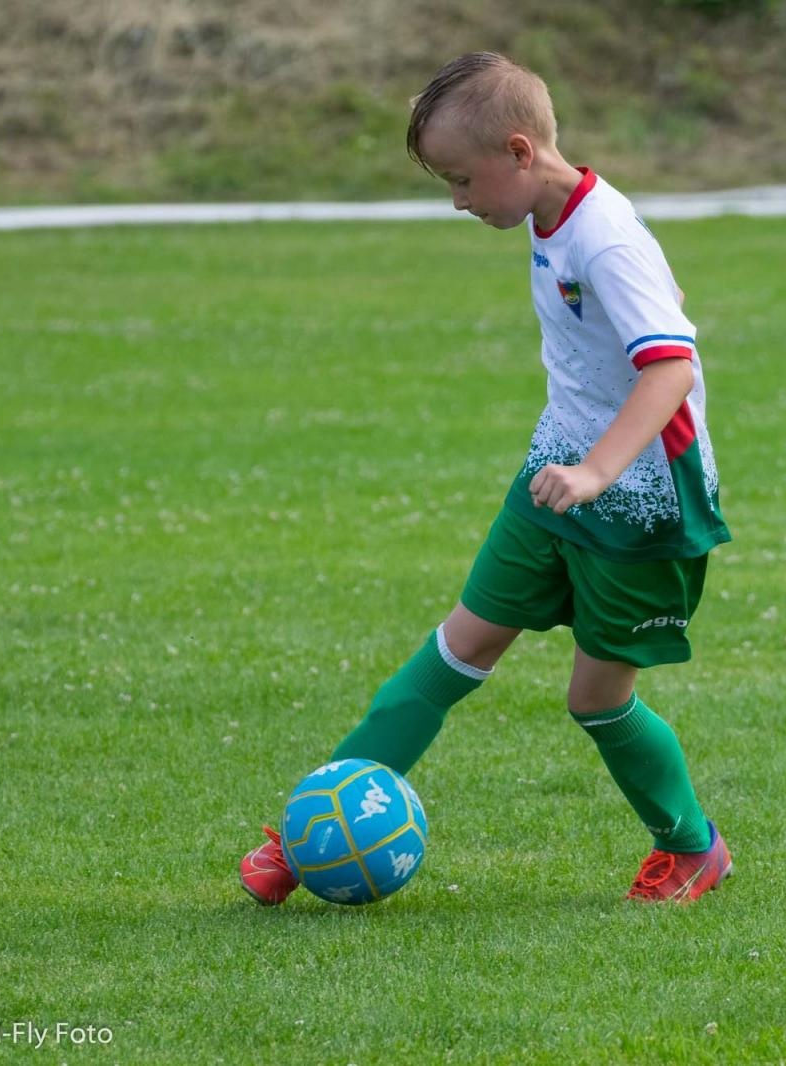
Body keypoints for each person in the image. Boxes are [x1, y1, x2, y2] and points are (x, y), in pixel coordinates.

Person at [240, 52, 733, 906]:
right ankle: (313, 832)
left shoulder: (604, 236)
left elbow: (671, 371)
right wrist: (570, 467)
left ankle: (693, 847)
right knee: (457, 646)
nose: (458, 201)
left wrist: (596, 473)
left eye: (462, 180)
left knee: (597, 699)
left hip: (640, 501)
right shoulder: (558, 214)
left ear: (516, 152)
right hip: (556, 474)